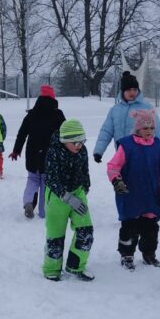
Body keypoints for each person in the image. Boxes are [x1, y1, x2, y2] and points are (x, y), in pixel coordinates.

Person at [105, 108, 160, 270]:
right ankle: (127, 255)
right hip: (130, 195)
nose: (149, 131)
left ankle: (149, 254)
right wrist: (117, 181)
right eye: (145, 128)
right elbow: (113, 166)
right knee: (129, 227)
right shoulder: (127, 145)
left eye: (152, 128)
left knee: (151, 228)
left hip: (150, 195)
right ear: (137, 129)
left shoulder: (159, 146)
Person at [42, 119, 94, 281]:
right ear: (65, 140)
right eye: (75, 142)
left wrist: (85, 187)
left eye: (82, 141)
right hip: (57, 197)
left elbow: (85, 171)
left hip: (77, 192)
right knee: (55, 235)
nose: (79, 145)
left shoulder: (82, 151)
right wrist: (67, 197)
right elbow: (51, 178)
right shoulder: (54, 152)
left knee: (85, 232)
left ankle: (75, 266)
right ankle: (52, 269)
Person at [92, 71, 160, 164]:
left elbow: (158, 130)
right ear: (122, 91)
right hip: (122, 155)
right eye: (129, 90)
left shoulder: (146, 107)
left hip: (143, 154)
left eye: (135, 89)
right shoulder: (115, 110)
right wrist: (98, 151)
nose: (132, 92)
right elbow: (106, 131)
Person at [10, 84, 66, 218]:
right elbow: (65, 134)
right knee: (46, 182)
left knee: (33, 179)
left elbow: (21, 134)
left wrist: (16, 151)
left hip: (32, 154)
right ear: (53, 99)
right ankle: (43, 211)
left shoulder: (31, 114)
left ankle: (28, 202)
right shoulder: (58, 115)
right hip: (50, 154)